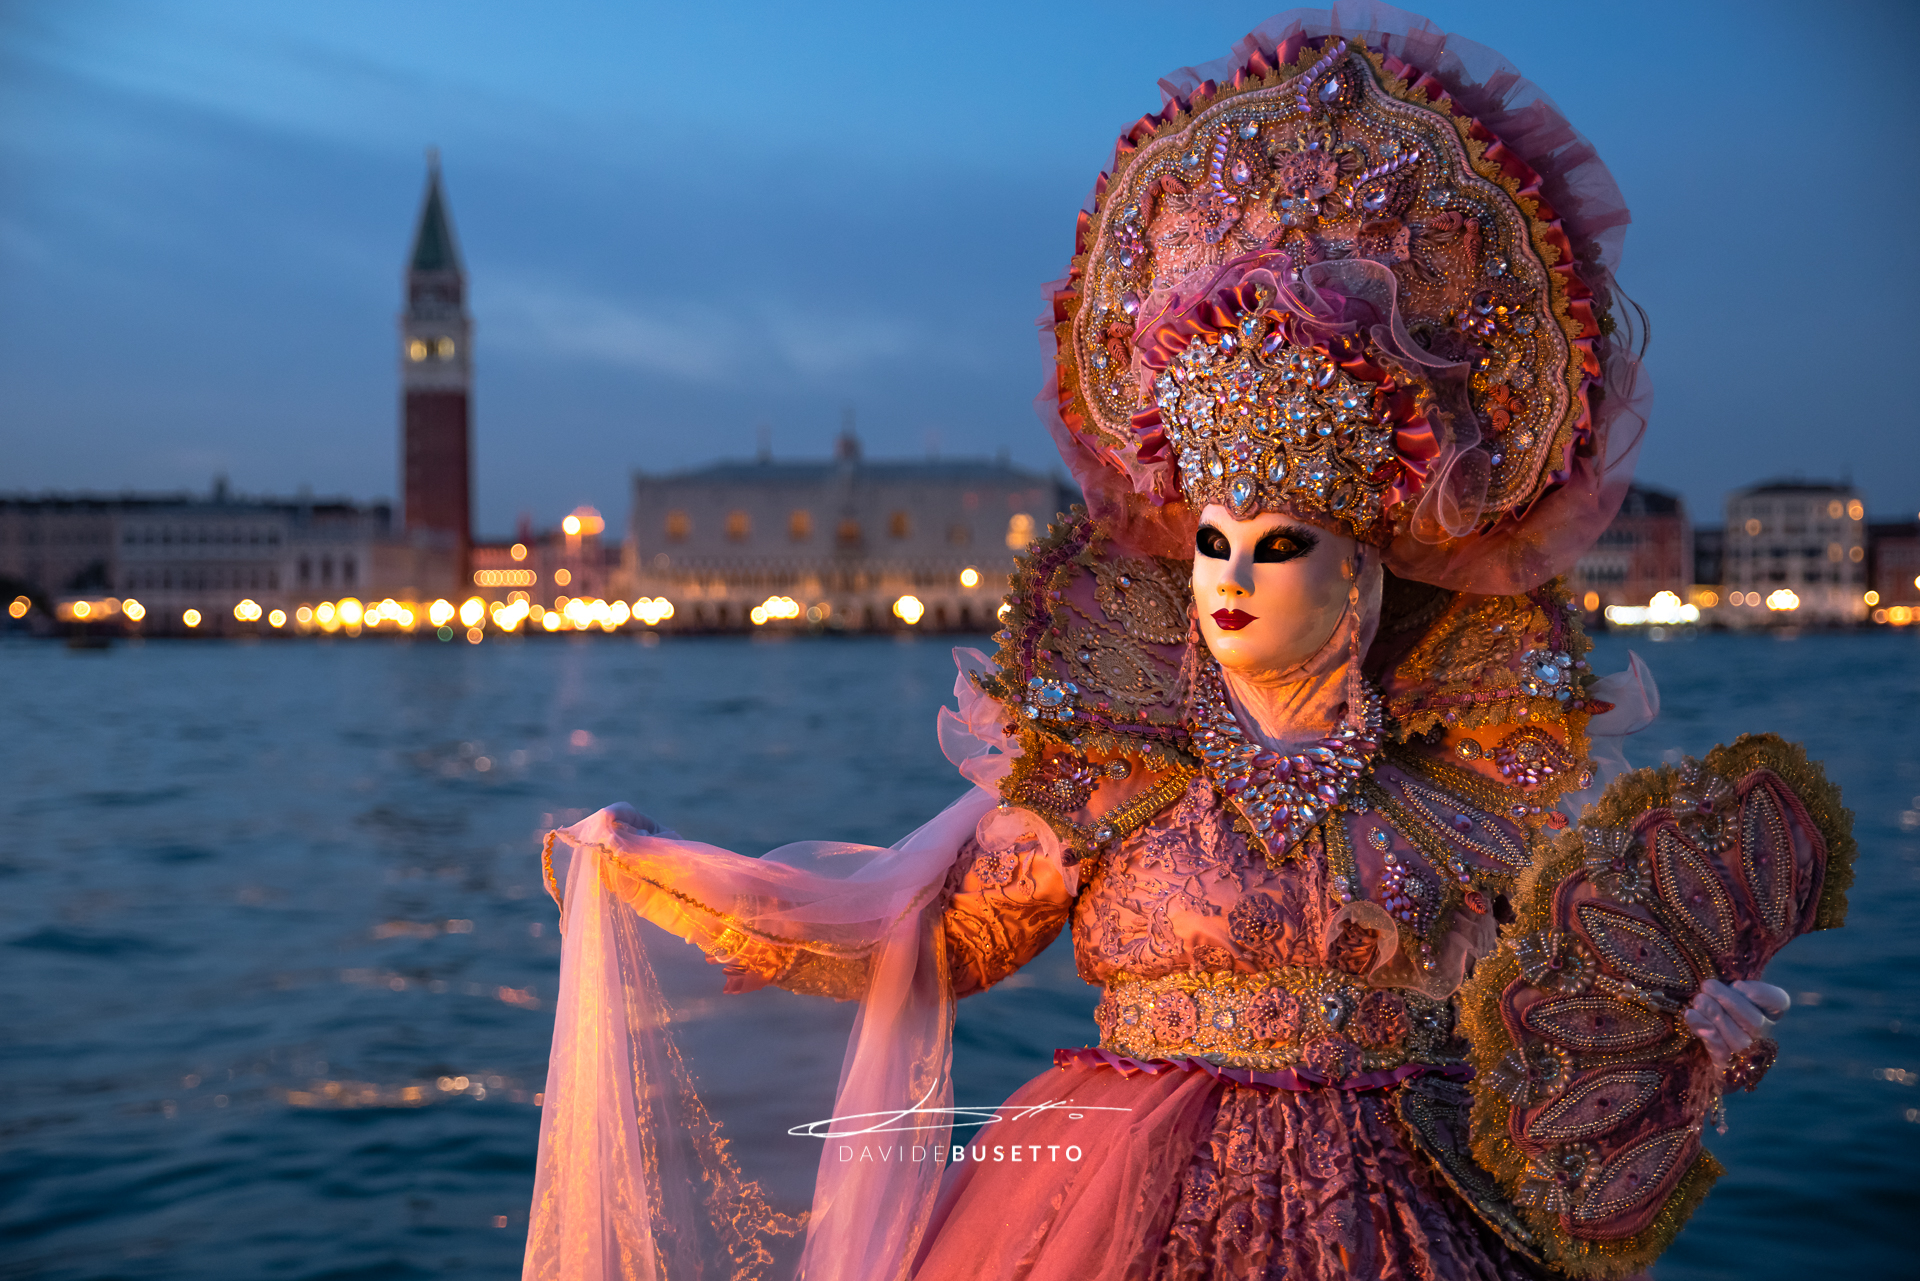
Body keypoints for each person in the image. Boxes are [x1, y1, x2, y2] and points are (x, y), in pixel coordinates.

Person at [522, 6, 1855, 1279]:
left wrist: (1694, 1030)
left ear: (1361, 575)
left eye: (1276, 546)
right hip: (1104, 1204)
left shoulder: (1470, 795)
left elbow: (1566, 1014)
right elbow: (912, 941)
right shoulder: (1108, 773)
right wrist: (669, 877)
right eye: (1213, 542)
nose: (1229, 578)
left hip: (1406, 1214)